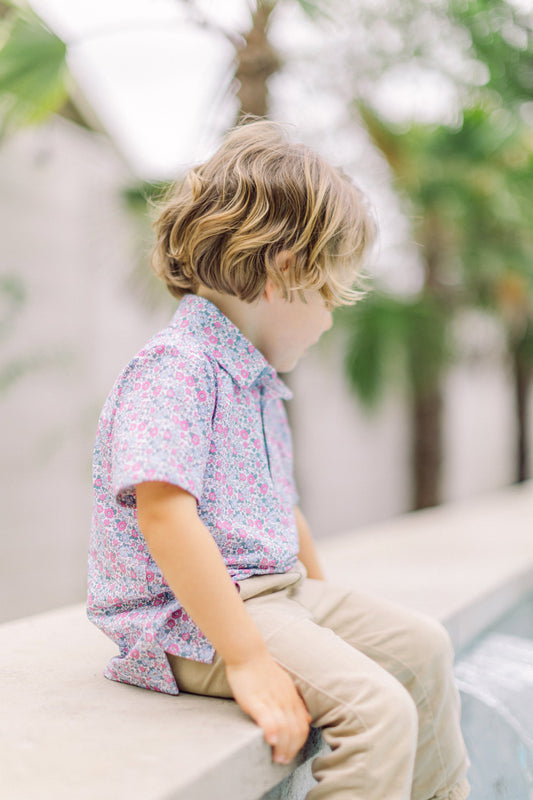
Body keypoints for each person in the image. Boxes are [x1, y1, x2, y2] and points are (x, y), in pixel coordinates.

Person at [87, 119, 471, 800]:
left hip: (275, 596)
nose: (329, 321)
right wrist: (248, 659)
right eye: (329, 297)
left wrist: (319, 600)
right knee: (375, 710)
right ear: (285, 270)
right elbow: (165, 515)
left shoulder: (251, 378)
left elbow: (278, 511)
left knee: (423, 645)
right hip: (193, 618)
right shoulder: (177, 369)